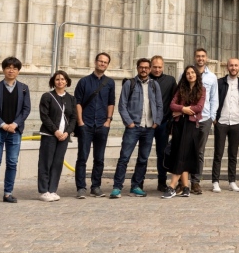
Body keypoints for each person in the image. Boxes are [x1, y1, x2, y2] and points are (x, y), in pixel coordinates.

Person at [110, 58, 163, 198]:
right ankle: (117, 187)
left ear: (150, 69)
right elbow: (122, 105)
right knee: (124, 157)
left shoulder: (154, 85)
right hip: (133, 127)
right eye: (141, 67)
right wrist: (129, 123)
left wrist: (157, 121)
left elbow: (159, 105)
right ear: (137, 68)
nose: (144, 70)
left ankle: (136, 186)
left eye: (146, 67)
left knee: (143, 159)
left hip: (149, 128)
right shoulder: (130, 84)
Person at [0, 57, 31, 204]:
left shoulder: (24, 88)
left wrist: (15, 124)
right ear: (3, 69)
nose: (11, 70)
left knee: (12, 162)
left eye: (14, 68)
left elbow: (26, 109)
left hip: (15, 131)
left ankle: (7, 193)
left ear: (18, 71)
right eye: (8, 67)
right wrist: (3, 125)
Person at [74, 52, 116, 199]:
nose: (102, 64)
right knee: (82, 157)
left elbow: (111, 103)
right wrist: (80, 122)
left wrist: (108, 121)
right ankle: (80, 187)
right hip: (86, 124)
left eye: (105, 62)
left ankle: (96, 186)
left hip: (102, 125)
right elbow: (77, 102)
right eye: (100, 61)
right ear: (95, 62)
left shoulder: (110, 83)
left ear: (107, 65)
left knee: (99, 158)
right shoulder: (84, 82)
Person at [163, 65, 206, 198]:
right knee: (181, 153)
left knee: (182, 153)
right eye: (188, 73)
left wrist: (182, 110)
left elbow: (199, 107)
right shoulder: (181, 89)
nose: (190, 75)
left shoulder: (202, 89)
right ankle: (186, 187)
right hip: (179, 124)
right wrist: (184, 109)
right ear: (185, 76)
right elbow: (172, 105)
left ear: (196, 75)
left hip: (191, 125)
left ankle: (172, 186)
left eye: (193, 72)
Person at [37, 70, 77, 202]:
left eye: (62, 79)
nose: (60, 81)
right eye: (57, 79)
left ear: (67, 81)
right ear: (53, 82)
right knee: (46, 162)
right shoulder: (47, 96)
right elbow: (44, 116)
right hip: (50, 134)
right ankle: (44, 190)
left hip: (64, 136)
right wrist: (55, 131)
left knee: (57, 163)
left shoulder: (71, 99)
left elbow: (73, 118)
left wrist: (67, 132)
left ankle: (53, 189)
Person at [212, 57, 239, 193]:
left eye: (236, 65)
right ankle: (215, 181)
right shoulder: (220, 83)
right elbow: (214, 99)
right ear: (227, 67)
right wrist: (214, 118)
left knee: (233, 154)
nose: (233, 68)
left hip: (236, 122)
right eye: (231, 65)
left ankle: (232, 181)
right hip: (221, 122)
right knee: (218, 153)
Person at [190, 48, 219, 194]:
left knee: (199, 152)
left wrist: (212, 117)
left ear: (206, 58)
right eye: (198, 56)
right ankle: (183, 181)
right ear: (194, 58)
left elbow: (214, 98)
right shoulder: (188, 74)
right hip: (189, 118)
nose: (200, 58)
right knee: (186, 150)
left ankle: (195, 182)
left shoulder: (212, 77)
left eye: (203, 56)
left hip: (205, 118)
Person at [150, 55, 178, 193]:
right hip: (146, 123)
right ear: (150, 66)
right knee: (143, 153)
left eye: (159, 67)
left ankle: (161, 182)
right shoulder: (145, 79)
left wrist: (172, 122)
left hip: (163, 124)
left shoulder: (170, 81)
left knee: (162, 154)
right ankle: (138, 183)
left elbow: (175, 100)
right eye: (154, 67)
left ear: (163, 66)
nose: (157, 69)